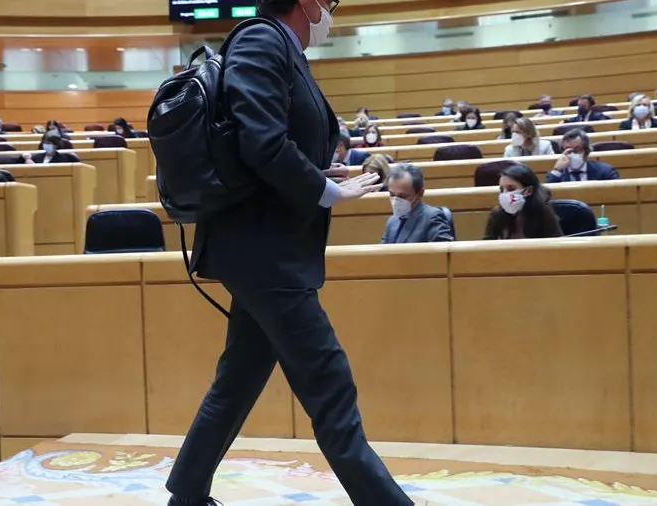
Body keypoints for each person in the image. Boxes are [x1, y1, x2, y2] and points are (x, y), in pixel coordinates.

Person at [165, 1, 414, 505]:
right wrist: (326, 193)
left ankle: (186, 495)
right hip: (264, 253)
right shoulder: (262, 40)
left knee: (238, 379)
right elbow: (262, 143)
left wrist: (321, 176)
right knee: (330, 385)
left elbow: (268, 147)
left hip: (264, 250)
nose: (332, 10)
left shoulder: (282, 47)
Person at [483, 163, 563, 240]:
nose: (505, 194)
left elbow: (555, 247)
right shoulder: (497, 213)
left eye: (511, 189)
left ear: (528, 190)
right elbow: (486, 247)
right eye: (501, 189)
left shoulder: (543, 212)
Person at [381, 164, 454, 244]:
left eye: (402, 196)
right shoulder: (392, 221)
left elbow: (442, 254)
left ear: (420, 193)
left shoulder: (433, 218)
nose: (395, 201)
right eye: (392, 195)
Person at [546, 129, 619, 183]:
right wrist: (557, 170)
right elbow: (545, 197)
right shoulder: (556, 174)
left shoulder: (605, 171)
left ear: (586, 151)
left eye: (577, 149)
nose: (573, 154)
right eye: (569, 150)